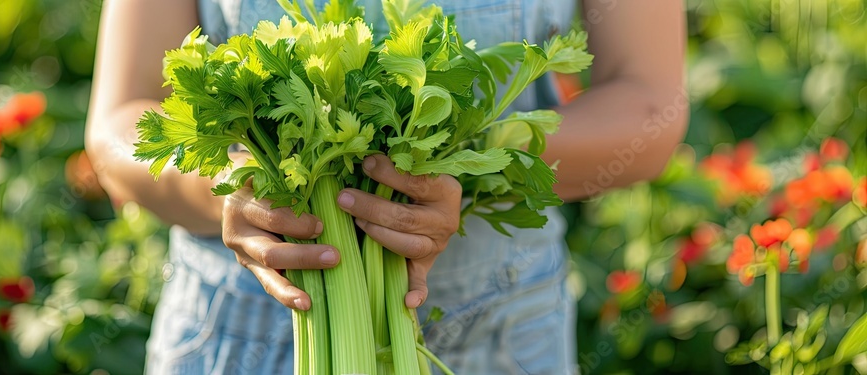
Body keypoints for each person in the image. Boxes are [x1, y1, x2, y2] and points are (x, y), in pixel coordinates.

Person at [86, 0, 686, 373]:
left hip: (495, 339)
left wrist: (466, 164)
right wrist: (227, 185)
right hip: (236, 338)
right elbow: (117, 124)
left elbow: (649, 104)